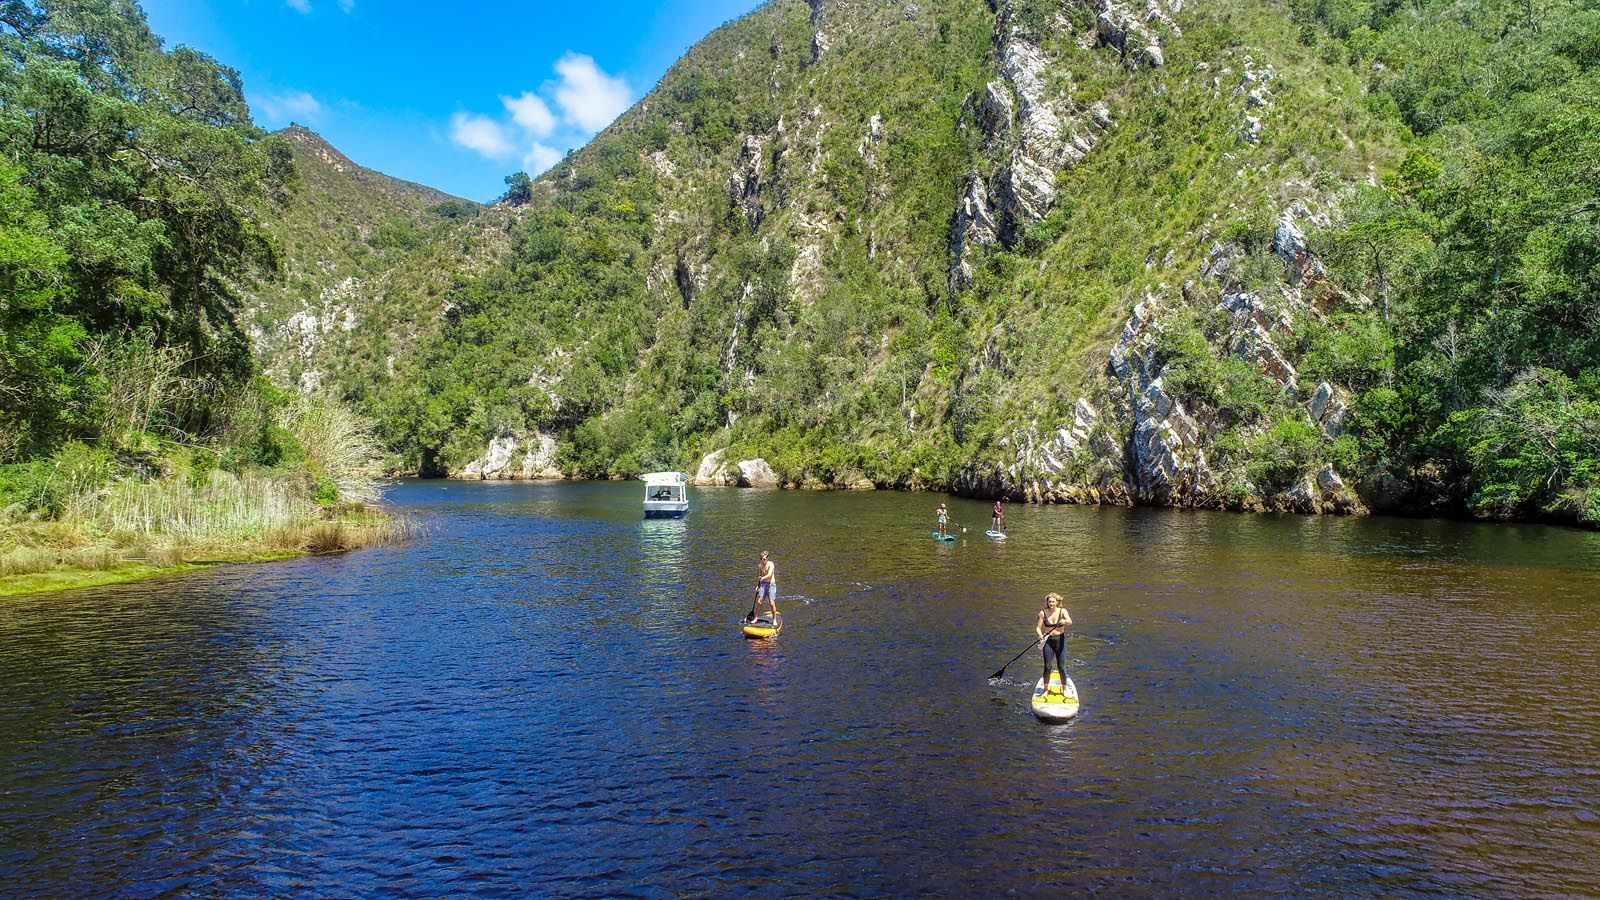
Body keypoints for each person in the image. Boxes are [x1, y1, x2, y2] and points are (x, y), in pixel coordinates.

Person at [1035, 592, 1072, 692]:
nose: (1051, 603)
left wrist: (1065, 621)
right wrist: (1040, 634)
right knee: (1048, 666)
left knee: (1061, 666)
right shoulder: (1042, 613)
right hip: (1048, 641)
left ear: (1057, 602)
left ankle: (1064, 688)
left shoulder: (1062, 611)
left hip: (1060, 640)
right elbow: (1038, 627)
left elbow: (1070, 621)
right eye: (1049, 602)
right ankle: (1046, 690)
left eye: (1053, 602)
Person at [749, 550, 779, 622]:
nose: (763, 561)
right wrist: (758, 586)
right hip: (763, 584)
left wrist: (762, 578)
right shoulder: (760, 566)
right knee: (759, 602)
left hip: (771, 584)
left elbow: (769, 575)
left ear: (767, 558)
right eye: (761, 559)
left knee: (771, 603)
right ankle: (755, 618)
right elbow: (759, 577)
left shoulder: (771, 564)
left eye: (764, 559)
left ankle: (774, 620)